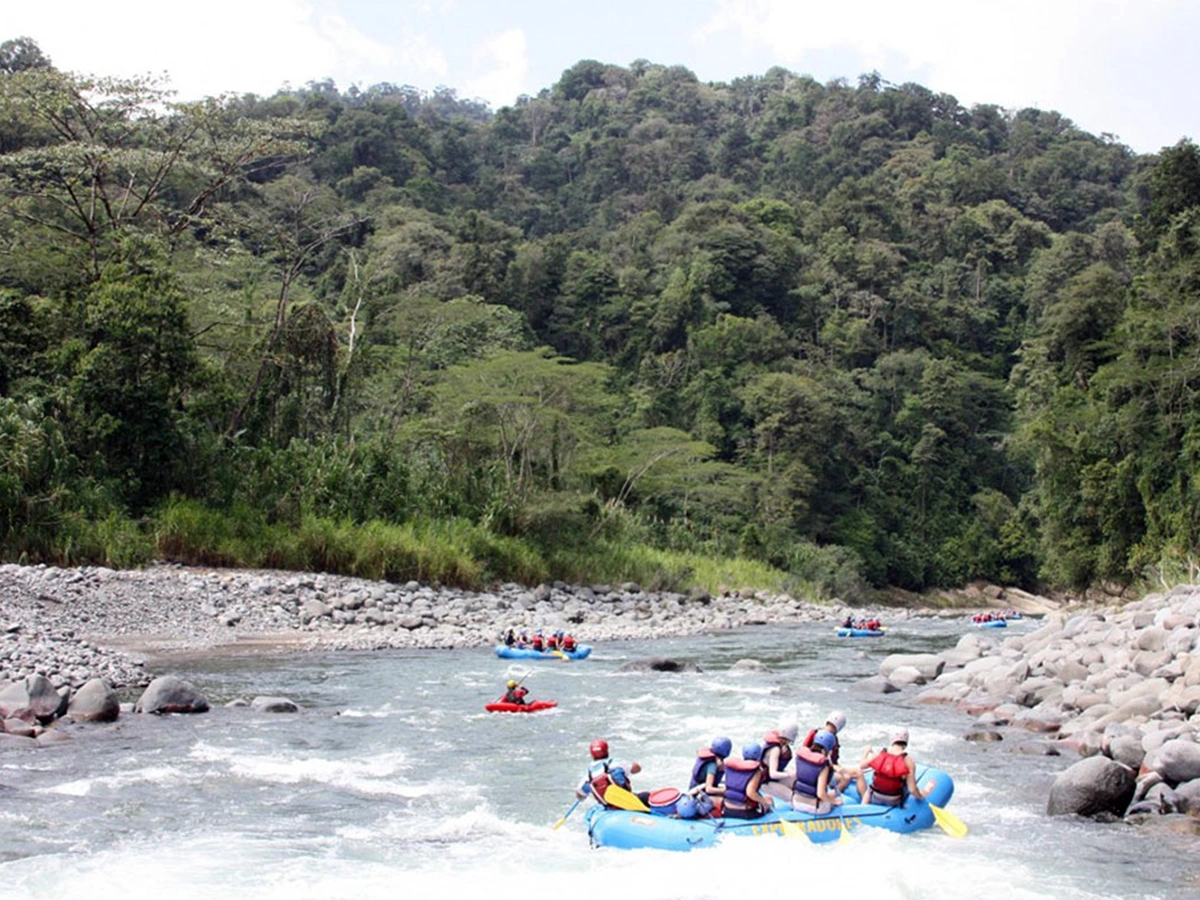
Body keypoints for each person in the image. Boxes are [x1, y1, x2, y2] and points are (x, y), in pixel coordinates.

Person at [856, 728, 928, 807]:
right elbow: (912, 789)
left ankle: (862, 807)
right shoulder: (908, 761)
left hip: (875, 796)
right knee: (905, 787)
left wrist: (865, 752)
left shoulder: (880, 753)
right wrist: (921, 796)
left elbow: (862, 765)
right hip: (894, 800)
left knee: (868, 791)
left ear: (892, 740)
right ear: (906, 742)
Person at [576, 738, 647, 808]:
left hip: (609, 807)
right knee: (646, 796)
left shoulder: (588, 775)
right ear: (606, 751)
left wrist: (582, 795)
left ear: (592, 754)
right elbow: (637, 768)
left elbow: (580, 794)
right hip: (628, 801)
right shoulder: (616, 763)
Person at [790, 729, 842, 814]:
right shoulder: (822, 765)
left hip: (795, 803)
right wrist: (833, 801)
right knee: (833, 794)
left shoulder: (801, 756)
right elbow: (820, 794)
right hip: (814, 807)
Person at [722, 743, 773, 819]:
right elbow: (750, 793)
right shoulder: (756, 771)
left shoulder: (731, 767)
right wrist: (765, 801)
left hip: (727, 809)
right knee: (769, 799)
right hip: (745, 812)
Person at [761, 722, 797, 802]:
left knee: (797, 782)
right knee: (792, 797)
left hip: (772, 779)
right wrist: (789, 774)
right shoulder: (775, 749)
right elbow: (773, 774)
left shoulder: (781, 745)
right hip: (765, 783)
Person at [688, 736, 732, 801]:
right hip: (698, 794)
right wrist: (725, 791)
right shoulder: (712, 766)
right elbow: (709, 789)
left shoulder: (710, 759)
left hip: (697, 788)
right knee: (728, 800)